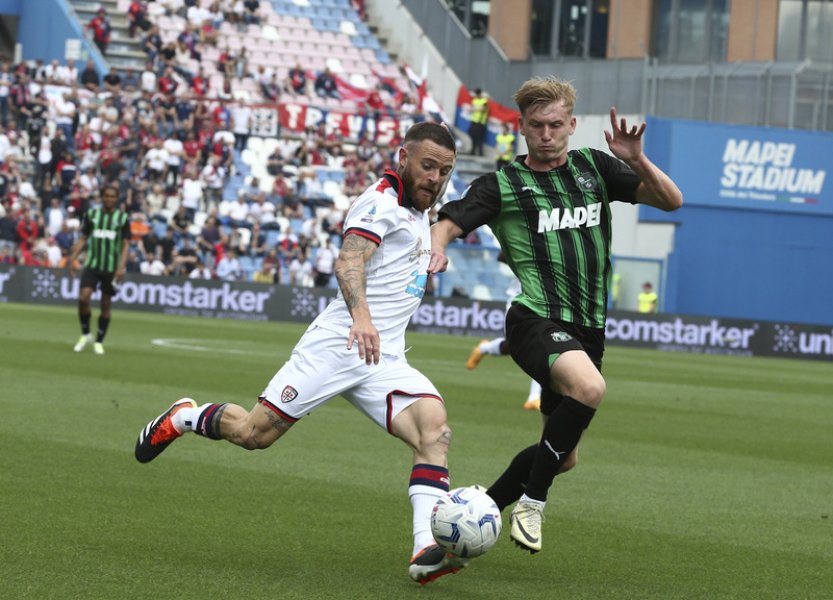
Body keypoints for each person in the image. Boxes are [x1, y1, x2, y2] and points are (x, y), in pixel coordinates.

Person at [133, 122, 466, 584]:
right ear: (403, 157)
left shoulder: (419, 211)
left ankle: (425, 547)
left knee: (435, 432)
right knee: (254, 434)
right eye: (428, 166)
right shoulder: (379, 203)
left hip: (383, 358)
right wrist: (362, 317)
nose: (435, 177)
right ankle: (184, 416)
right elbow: (349, 259)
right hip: (338, 344)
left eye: (444, 171)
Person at [429, 77, 683, 554]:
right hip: (535, 321)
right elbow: (448, 221)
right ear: (522, 126)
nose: (546, 134)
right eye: (536, 126)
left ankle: (467, 527)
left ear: (571, 125)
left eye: (555, 125)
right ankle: (532, 502)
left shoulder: (594, 167)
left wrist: (637, 161)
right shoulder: (503, 184)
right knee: (590, 390)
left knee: (562, 458)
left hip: (588, 332)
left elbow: (671, 200)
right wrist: (437, 252)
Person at [465, 254, 542, 411]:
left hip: (542, 303)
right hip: (518, 300)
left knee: (540, 347)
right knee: (516, 346)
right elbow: (501, 255)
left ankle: (534, 398)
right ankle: (484, 348)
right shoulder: (529, 240)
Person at [69, 184, 131, 355]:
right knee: (84, 298)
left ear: (116, 198)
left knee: (105, 303)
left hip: (111, 268)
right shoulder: (92, 215)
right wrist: (72, 258)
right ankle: (85, 334)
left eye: (113, 196)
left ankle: (99, 341)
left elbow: (126, 245)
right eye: (107, 196)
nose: (109, 199)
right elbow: (83, 238)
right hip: (92, 265)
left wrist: (121, 267)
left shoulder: (122, 218)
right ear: (102, 197)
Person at [468, 87, 489, 156]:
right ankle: (473, 151)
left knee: (479, 138)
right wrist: (474, 109)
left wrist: (473, 109)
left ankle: (480, 153)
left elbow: (482, 109)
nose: (476, 95)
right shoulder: (474, 100)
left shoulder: (484, 101)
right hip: (474, 121)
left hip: (480, 122)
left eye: (477, 94)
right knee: (473, 136)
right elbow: (472, 109)